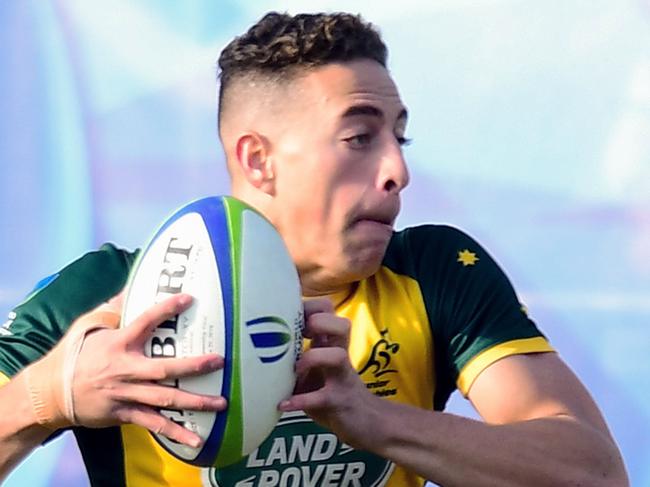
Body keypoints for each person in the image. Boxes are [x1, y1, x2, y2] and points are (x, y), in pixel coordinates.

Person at [0, 11, 628, 487]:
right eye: (360, 137)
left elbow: (594, 471)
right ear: (258, 159)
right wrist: (52, 395)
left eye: (399, 140)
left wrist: (375, 421)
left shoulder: (432, 272)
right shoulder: (106, 293)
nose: (397, 172)